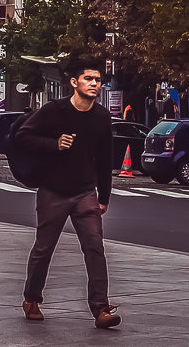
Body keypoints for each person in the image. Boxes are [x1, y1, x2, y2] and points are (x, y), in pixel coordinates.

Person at [15, 56, 119, 330]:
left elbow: (106, 159)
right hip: (53, 191)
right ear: (74, 83)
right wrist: (54, 143)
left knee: (95, 248)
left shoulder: (101, 117)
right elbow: (23, 136)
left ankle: (100, 308)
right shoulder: (54, 111)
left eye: (98, 80)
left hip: (86, 192)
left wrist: (104, 197)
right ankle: (32, 299)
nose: (95, 84)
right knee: (44, 248)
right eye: (89, 79)